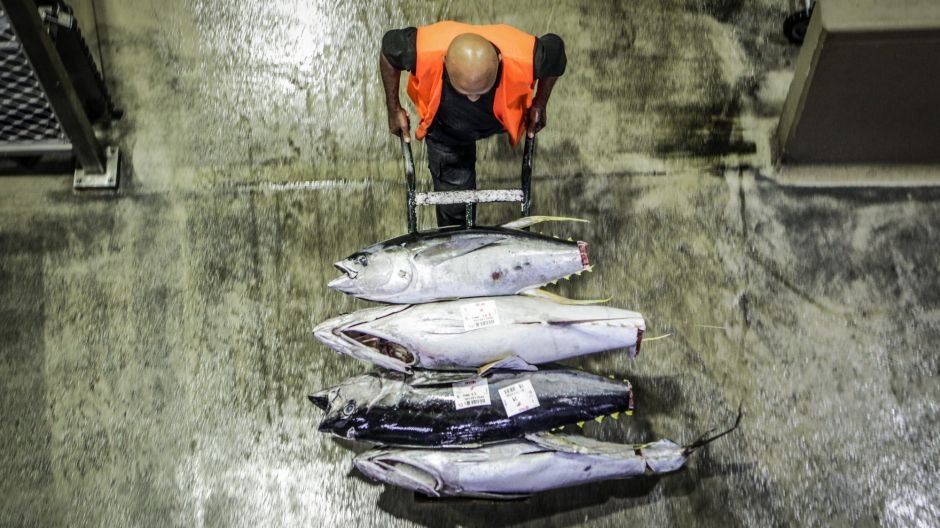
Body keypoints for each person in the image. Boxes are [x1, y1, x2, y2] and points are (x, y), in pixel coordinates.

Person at [380, 21, 566, 227]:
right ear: (444, 62)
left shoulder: (526, 56)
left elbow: (555, 51)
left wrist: (540, 103)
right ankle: (458, 239)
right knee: (455, 204)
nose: (474, 99)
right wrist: (393, 108)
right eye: (466, 92)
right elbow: (389, 51)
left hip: (500, 117)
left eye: (481, 91)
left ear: (499, 61)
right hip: (446, 128)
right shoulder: (422, 49)